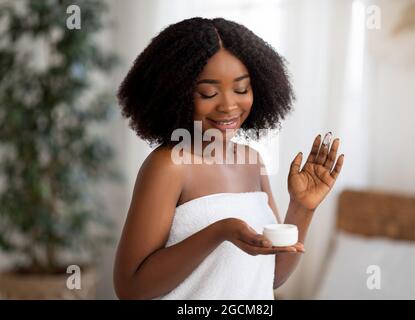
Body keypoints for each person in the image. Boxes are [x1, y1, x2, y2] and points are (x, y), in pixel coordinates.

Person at [113, 17, 344, 300]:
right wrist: (220, 232)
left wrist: (302, 208)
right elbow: (131, 288)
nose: (228, 105)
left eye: (241, 89)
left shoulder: (252, 161)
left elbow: (272, 276)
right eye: (209, 92)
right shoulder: (170, 165)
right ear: (176, 93)